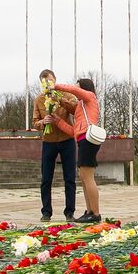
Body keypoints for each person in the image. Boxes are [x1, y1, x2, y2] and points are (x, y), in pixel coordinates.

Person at [32, 69, 78, 222]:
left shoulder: (66, 95)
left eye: (50, 81)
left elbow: (74, 109)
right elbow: (35, 122)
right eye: (45, 82)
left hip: (67, 140)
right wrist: (41, 122)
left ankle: (69, 212)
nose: (48, 84)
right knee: (46, 178)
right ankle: (46, 212)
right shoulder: (38, 100)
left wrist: (59, 99)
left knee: (70, 178)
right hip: (48, 142)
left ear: (55, 80)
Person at [57, 78, 105, 222]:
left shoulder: (90, 97)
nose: (75, 89)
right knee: (84, 177)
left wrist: (56, 86)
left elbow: (74, 91)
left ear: (84, 88)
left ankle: (95, 213)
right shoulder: (80, 106)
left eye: (78, 87)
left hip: (88, 140)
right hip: (83, 140)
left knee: (88, 176)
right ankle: (89, 210)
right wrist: (57, 121)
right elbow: (74, 132)